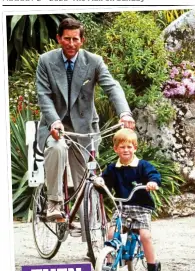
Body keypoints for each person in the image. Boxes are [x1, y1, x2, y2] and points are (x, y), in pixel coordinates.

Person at [36, 18, 135, 221]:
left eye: (75, 39)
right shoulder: (46, 61)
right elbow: (43, 96)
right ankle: (54, 202)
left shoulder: (94, 61)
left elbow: (112, 87)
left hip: (84, 128)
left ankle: (90, 236)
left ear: (82, 40)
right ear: (58, 38)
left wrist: (124, 113)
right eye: (66, 39)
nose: (71, 44)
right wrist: (54, 121)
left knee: (85, 179)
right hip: (55, 124)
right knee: (57, 147)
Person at [100, 129, 161, 271]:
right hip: (122, 205)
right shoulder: (113, 168)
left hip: (141, 207)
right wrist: (99, 183)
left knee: (145, 236)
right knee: (111, 233)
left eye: (129, 146)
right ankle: (108, 265)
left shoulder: (142, 166)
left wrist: (152, 182)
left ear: (135, 148)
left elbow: (153, 174)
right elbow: (104, 182)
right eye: (122, 147)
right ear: (116, 149)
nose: (126, 150)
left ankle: (152, 269)